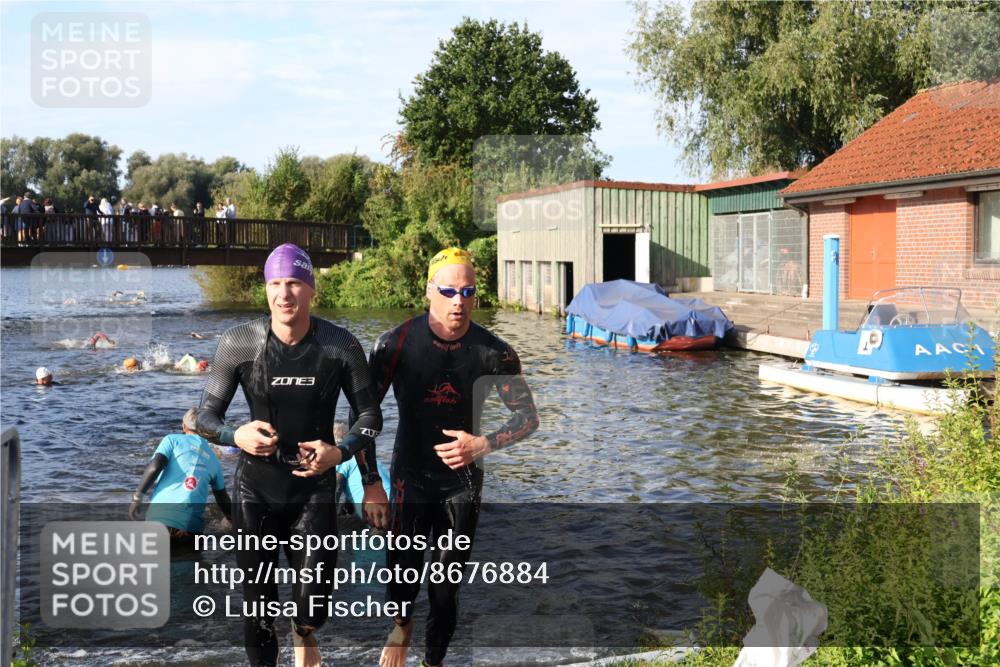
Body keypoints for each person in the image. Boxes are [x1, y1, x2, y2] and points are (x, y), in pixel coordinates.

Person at [194, 243, 385, 667]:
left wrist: (340, 452)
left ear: (311, 289)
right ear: (266, 289)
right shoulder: (239, 343)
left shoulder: (339, 344)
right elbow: (203, 415)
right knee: (258, 607)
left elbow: (370, 415)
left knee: (313, 608)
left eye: (294, 283)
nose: (284, 294)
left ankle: (303, 634)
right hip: (255, 490)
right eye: (275, 284)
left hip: (313, 490)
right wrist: (234, 433)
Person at [372, 247, 539, 667]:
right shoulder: (395, 344)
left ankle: (433, 663)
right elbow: (364, 419)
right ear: (429, 291)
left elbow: (528, 417)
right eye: (448, 291)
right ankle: (402, 624)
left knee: (446, 587)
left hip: (462, 481)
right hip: (410, 474)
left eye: (468, 292)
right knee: (402, 576)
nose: (458, 301)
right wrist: (371, 481)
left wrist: (483, 444)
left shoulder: (493, 352)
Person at [128, 408, 232, 547]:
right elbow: (222, 498)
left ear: (184, 426)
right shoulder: (214, 460)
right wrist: (232, 520)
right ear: (207, 431)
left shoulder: (172, 440)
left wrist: (137, 497)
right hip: (191, 529)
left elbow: (154, 467)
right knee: (189, 566)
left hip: (159, 521)